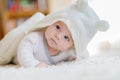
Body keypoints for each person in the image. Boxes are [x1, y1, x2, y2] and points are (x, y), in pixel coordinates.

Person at [0, 0, 109, 67]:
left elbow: (74, 56)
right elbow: (23, 52)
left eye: (66, 37)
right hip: (15, 57)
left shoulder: (67, 51)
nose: (58, 36)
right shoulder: (34, 38)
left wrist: (74, 59)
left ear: (72, 44)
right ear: (50, 22)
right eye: (57, 27)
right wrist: (34, 64)